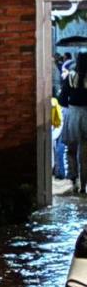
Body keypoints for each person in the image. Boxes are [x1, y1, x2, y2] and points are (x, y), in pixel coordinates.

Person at [60, 52, 87, 194]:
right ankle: (84, 183)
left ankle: (73, 179)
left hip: (74, 114)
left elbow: (62, 99)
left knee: (71, 149)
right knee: (85, 151)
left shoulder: (70, 76)